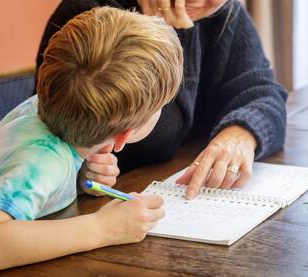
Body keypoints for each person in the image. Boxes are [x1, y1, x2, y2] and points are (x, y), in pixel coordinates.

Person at [0, 7, 183, 273]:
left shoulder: (43, 105)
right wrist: (105, 228)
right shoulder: (44, 160)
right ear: (124, 137)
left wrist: (78, 178)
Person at [36, 0, 288, 200]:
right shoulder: (94, 23)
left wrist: (240, 134)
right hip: (106, 210)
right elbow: (51, 141)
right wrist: (80, 171)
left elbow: (263, 91)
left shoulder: (224, 12)